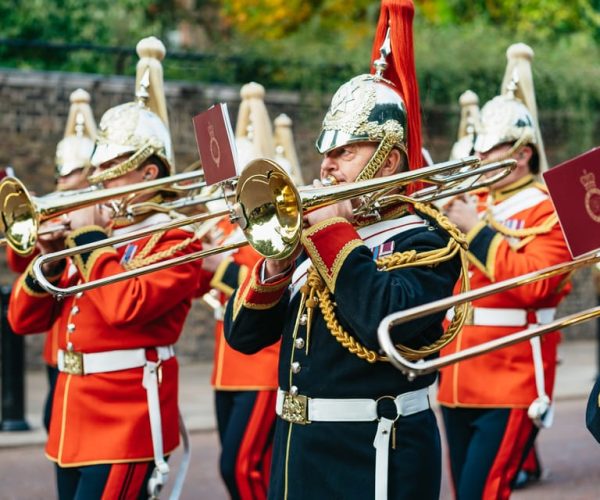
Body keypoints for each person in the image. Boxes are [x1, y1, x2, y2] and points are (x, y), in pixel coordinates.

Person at [224, 1, 465, 498]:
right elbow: (243, 338)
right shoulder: (318, 237)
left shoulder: (428, 239)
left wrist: (334, 233)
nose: (328, 167)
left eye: (345, 153)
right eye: (327, 154)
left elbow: (386, 322)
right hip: (298, 451)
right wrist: (274, 262)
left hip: (374, 454)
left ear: (387, 159)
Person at [8, 36, 205, 499]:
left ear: (150, 173)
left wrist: (89, 240)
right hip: (71, 419)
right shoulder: (98, 238)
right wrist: (50, 261)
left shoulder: (178, 240)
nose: (99, 181)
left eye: (114, 169)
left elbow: (123, 307)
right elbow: (23, 320)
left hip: (127, 424)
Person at [437, 43, 572, 500]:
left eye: (487, 151)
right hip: (455, 373)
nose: (477, 160)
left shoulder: (551, 209)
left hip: (511, 376)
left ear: (521, 154)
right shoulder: (472, 203)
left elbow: (535, 285)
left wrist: (475, 231)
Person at [202, 82, 283, 500]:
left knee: (241, 466)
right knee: (251, 468)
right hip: (226, 364)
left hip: (261, 365)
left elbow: (267, 284)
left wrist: (221, 266)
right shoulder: (224, 224)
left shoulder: (272, 225)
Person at [4, 88, 96, 432]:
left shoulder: (100, 220)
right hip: (58, 345)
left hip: (91, 355)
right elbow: (18, 262)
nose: (60, 181)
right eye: (60, 173)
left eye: (69, 173)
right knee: (53, 424)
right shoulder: (60, 212)